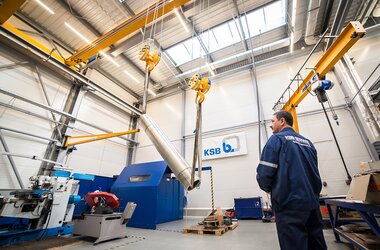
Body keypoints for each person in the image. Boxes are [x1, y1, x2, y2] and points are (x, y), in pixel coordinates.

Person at [256, 110, 327, 250]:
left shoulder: (276, 140)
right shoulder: (308, 143)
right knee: (316, 243)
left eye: (272, 121)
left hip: (289, 204)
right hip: (312, 203)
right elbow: (314, 172)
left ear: (282, 121)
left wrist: (271, 190)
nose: (271, 125)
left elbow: (264, 174)